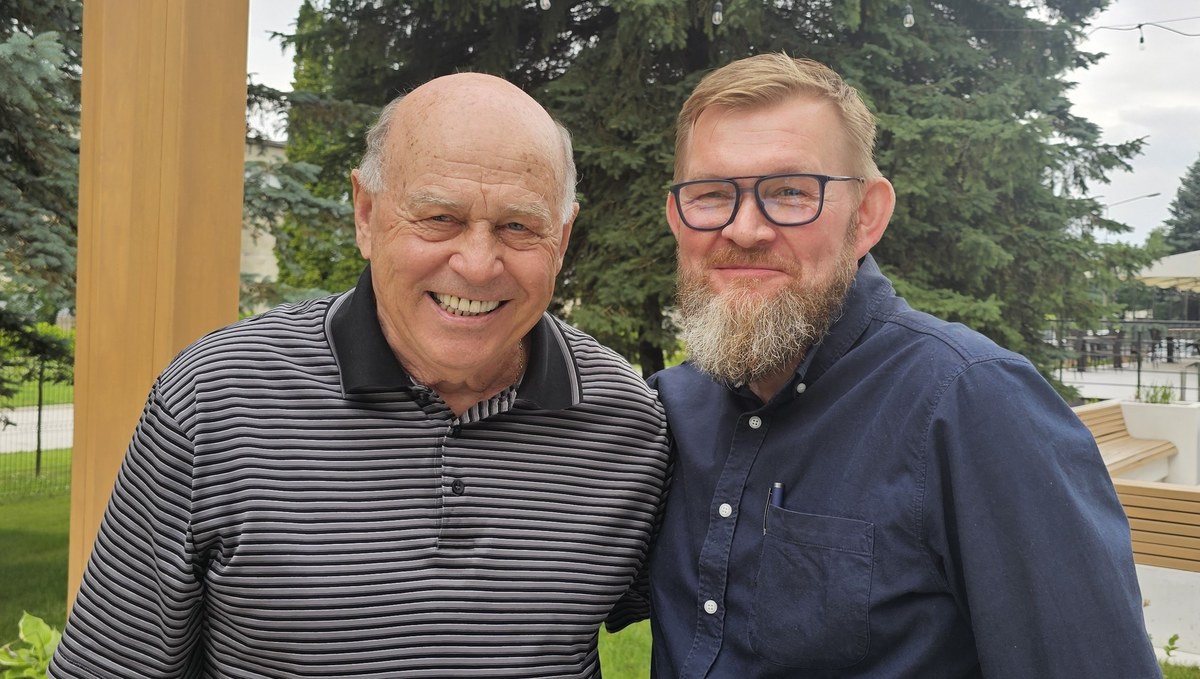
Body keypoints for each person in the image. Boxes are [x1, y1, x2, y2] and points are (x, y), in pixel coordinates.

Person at [49, 72, 670, 678]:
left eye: (518, 226)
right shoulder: (215, 400)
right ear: (366, 214)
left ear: (561, 238)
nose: (478, 266)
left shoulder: (626, 424)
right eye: (439, 218)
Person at [646, 54, 1160, 677]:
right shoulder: (667, 410)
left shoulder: (973, 403)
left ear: (866, 217)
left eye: (789, 192)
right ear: (678, 217)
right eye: (711, 195)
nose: (745, 228)